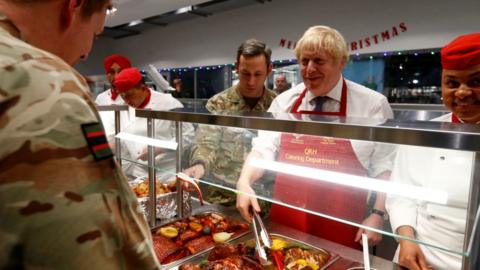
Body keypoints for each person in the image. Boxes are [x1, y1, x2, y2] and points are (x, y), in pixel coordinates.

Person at [0, 1, 160, 269]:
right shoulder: (42, 81)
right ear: (73, 5)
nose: (86, 53)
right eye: (94, 34)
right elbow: (92, 252)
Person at [236, 26, 395, 249]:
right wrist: (244, 181)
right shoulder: (284, 103)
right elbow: (263, 149)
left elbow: (384, 166)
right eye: (304, 61)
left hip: (344, 223)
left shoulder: (372, 104)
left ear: (341, 62)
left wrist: (378, 213)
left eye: (319, 61)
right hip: (289, 219)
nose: (309, 69)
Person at [385, 33, 480, 270]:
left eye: (475, 82)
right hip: (417, 259)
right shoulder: (426, 133)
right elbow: (401, 194)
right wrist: (406, 240)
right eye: (452, 83)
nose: (462, 92)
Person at [183, 39, 277, 207]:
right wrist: (199, 164)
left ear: (269, 70)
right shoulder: (218, 103)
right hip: (224, 196)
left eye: (258, 74)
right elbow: (206, 141)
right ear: (237, 68)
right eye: (246, 73)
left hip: (266, 197)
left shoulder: (278, 104)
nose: (251, 82)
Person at [114, 67, 194, 181]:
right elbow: (124, 145)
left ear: (143, 87)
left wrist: (160, 148)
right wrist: (123, 174)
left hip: (167, 176)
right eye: (122, 96)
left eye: (129, 95)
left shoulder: (169, 103)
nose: (126, 101)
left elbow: (188, 136)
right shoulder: (123, 108)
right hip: (137, 175)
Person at [95, 54, 132, 143]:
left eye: (121, 71)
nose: (116, 77)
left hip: (132, 149)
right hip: (108, 147)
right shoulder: (101, 97)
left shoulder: (136, 96)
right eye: (111, 72)